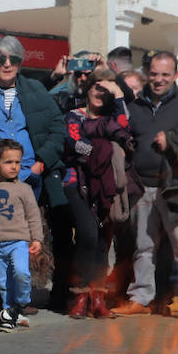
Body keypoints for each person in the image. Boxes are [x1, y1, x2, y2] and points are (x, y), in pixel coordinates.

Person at [0, 36, 67, 311]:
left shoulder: (36, 91)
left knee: (24, 237)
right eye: (1, 59)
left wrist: (41, 162)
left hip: (28, 177)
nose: (7, 64)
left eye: (14, 59)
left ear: (21, 63)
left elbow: (58, 128)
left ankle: (19, 299)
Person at [110, 51, 178, 321]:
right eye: (154, 74)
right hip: (142, 186)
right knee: (143, 246)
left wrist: (174, 141)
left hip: (175, 188)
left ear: (176, 76)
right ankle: (141, 297)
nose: (158, 79)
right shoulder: (136, 104)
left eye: (165, 74)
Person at [62, 67, 136, 318]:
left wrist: (118, 96)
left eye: (106, 90)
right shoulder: (74, 116)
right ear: (88, 88)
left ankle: (97, 297)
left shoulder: (112, 119)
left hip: (106, 186)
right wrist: (99, 154)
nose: (100, 93)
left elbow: (126, 133)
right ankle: (80, 295)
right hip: (78, 182)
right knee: (88, 235)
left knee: (103, 242)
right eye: (97, 87)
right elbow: (76, 143)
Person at [0, 138, 42, 330]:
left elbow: (33, 215)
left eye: (17, 162)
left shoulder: (24, 189)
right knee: (4, 282)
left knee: (21, 274)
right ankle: (9, 313)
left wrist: (36, 238)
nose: (14, 167)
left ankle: (21, 303)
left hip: (18, 241)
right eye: (8, 162)